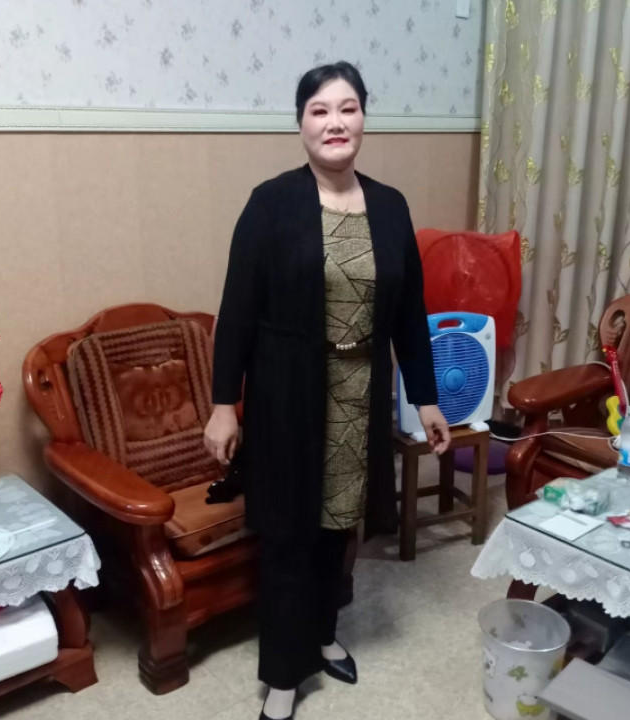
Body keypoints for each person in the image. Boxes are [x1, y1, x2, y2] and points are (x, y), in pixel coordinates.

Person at [204, 61, 451, 720]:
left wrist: (426, 398)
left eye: (347, 108)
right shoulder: (270, 203)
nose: (335, 122)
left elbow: (410, 314)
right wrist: (224, 404)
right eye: (319, 110)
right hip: (288, 396)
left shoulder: (391, 206)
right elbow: (236, 311)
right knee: (289, 534)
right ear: (301, 124)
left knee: (338, 527)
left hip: (360, 394)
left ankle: (321, 633)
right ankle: (284, 677)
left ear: (363, 118)